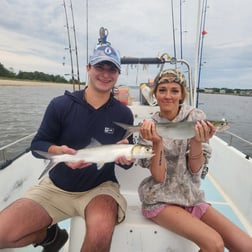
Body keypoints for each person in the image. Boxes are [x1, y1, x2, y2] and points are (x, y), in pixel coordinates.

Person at [0, 42, 135, 252]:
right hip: (56, 186)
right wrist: (58, 152)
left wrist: (128, 158)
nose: (105, 74)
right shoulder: (60, 105)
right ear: (88, 68)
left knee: (100, 236)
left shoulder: (123, 114)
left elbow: (127, 161)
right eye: (100, 67)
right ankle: (51, 236)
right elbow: (38, 145)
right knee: (3, 233)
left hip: (100, 188)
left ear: (118, 74)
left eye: (112, 69)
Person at [137, 68, 252, 251]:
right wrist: (157, 142)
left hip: (191, 197)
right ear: (155, 94)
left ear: (182, 94)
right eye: (162, 90)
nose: (168, 96)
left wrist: (197, 141)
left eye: (174, 90)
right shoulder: (149, 125)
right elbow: (158, 177)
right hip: (160, 198)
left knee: (247, 246)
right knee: (214, 244)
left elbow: (195, 169)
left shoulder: (196, 118)